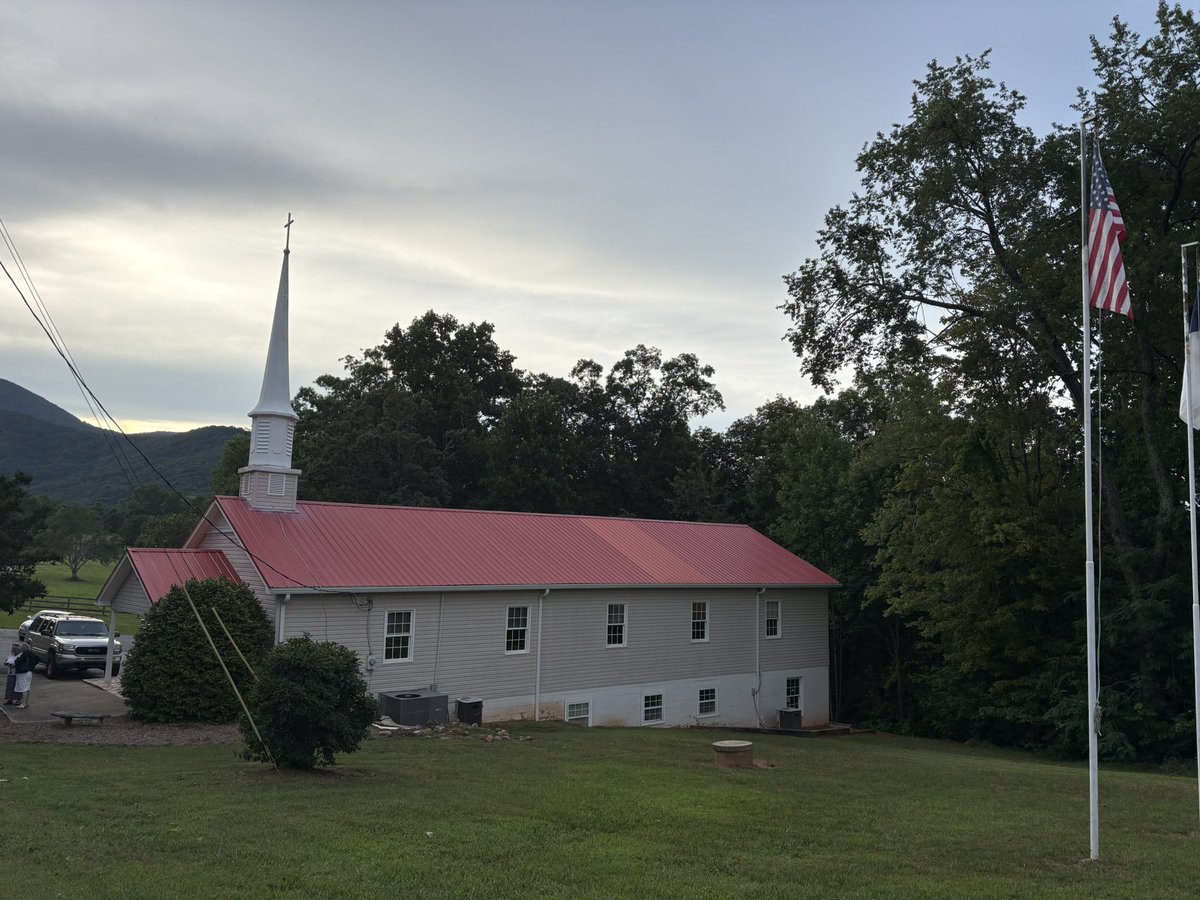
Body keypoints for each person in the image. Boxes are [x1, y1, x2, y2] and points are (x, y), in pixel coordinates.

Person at [11, 643, 37, 710]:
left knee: (23, 688)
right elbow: (38, 659)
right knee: (27, 687)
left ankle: (23, 704)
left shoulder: (23, 654)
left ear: (22, 649)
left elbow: (18, 661)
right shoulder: (31, 653)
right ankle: (26, 703)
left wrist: (15, 663)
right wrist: (31, 667)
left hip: (23, 673)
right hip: (29, 672)